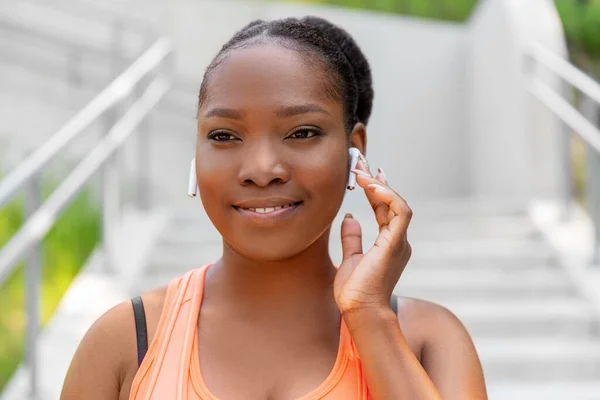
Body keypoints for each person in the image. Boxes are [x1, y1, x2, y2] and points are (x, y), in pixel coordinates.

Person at [60, 16, 487, 400]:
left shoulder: (428, 339)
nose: (262, 170)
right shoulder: (126, 341)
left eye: (302, 132)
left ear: (354, 152)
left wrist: (370, 317)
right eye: (225, 136)